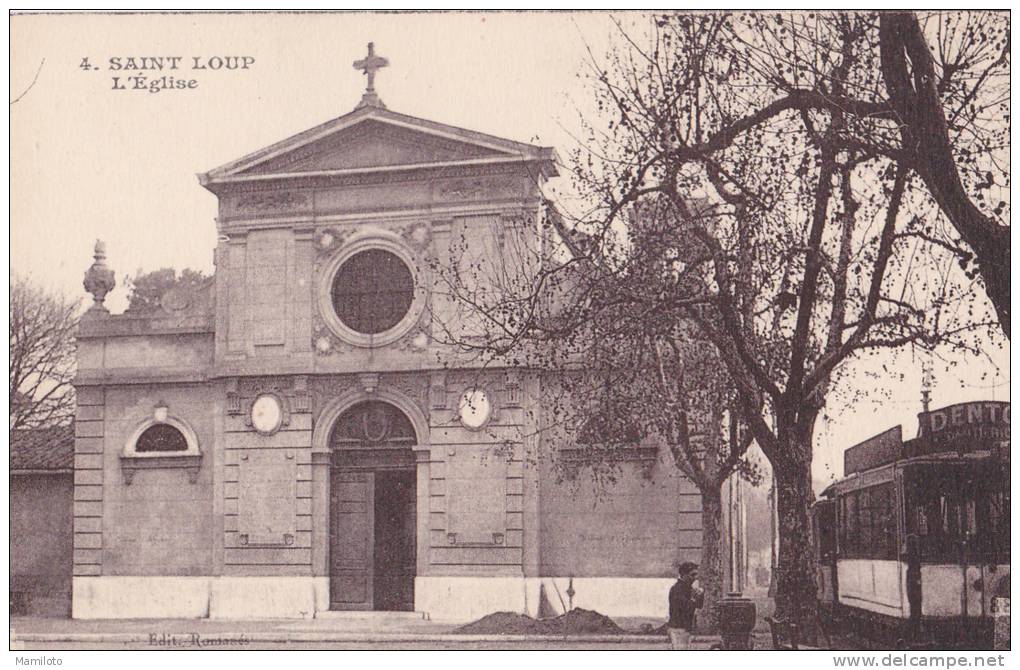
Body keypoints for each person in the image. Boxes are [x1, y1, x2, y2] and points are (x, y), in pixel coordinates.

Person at [667, 562, 704, 649]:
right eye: (693, 575)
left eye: (696, 575)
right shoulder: (677, 589)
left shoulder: (688, 588)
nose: (695, 578)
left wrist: (700, 595)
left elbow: (699, 605)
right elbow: (685, 607)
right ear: (684, 575)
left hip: (685, 627)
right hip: (678, 628)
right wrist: (694, 597)